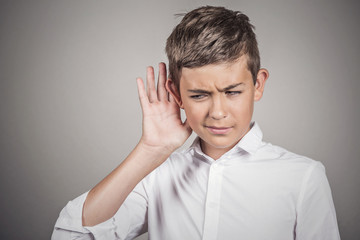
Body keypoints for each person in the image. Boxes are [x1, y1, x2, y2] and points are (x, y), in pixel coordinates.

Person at [52, 6, 340, 240]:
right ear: (176, 94)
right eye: (200, 95)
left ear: (258, 84)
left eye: (232, 92)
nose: (217, 112)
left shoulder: (303, 177)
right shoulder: (157, 175)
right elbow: (71, 235)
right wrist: (150, 150)